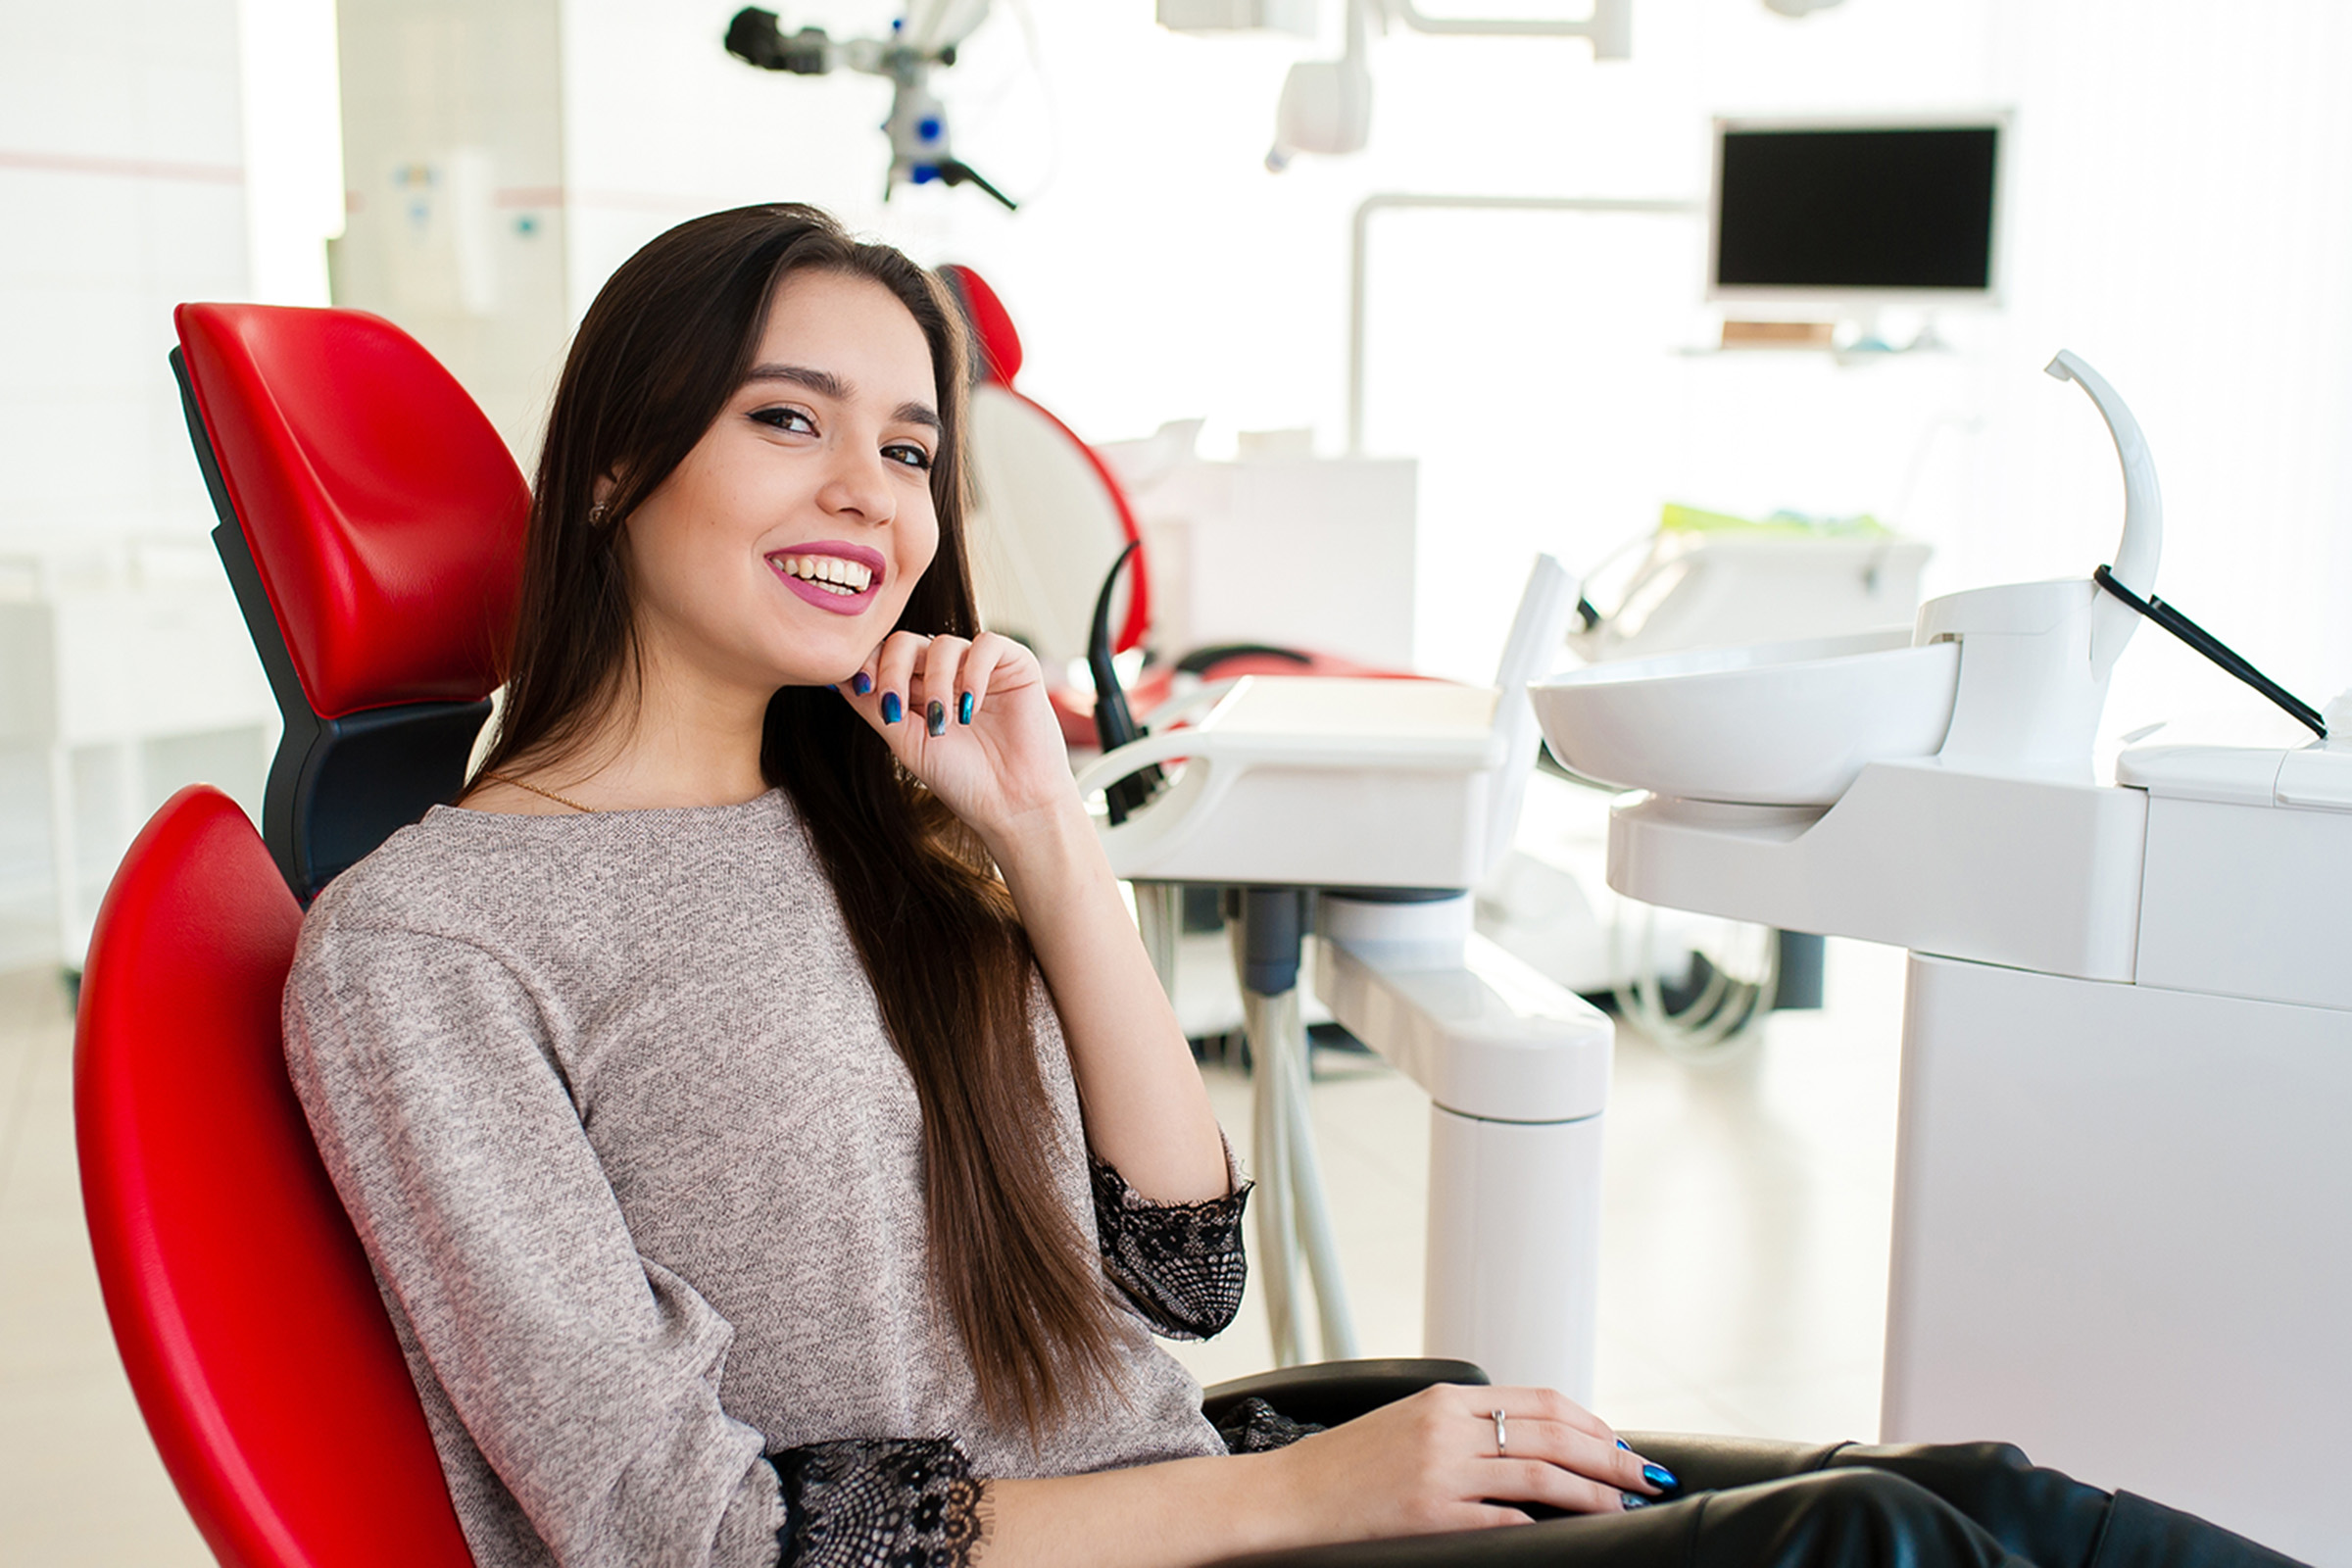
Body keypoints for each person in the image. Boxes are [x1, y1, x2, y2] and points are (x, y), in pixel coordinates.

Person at [281, 203, 2302, 1568]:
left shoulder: (876, 816)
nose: (864, 497)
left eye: (909, 449)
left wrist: (1052, 847)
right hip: (1189, 1537)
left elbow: (1179, 1281)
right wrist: (1297, 1497)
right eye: (784, 420)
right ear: (621, 465)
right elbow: (683, 1530)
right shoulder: (434, 944)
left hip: (1190, 1495)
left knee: (1972, 1493)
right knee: (1873, 1548)